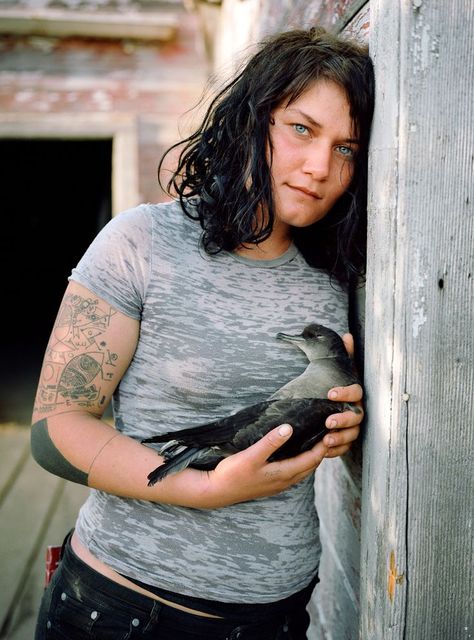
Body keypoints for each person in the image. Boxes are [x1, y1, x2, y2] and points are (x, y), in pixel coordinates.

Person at [31, 26, 374, 640]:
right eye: (301, 129)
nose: (321, 166)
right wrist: (206, 489)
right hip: (126, 612)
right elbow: (56, 430)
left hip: (281, 616)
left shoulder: (334, 281)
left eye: (347, 148)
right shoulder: (140, 242)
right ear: (251, 123)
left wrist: (341, 428)